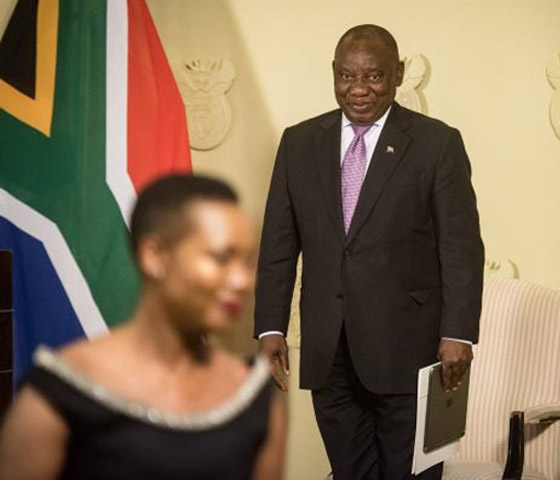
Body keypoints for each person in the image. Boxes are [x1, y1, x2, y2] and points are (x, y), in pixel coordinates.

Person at [255, 24, 484, 480]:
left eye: (374, 77)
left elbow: (460, 246)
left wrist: (459, 333)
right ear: (334, 73)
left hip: (410, 348)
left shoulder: (437, 143)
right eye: (347, 76)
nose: (358, 90)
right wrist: (269, 327)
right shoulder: (299, 143)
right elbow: (278, 243)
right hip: (329, 352)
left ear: (398, 73)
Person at [0, 174, 286, 480]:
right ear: (155, 256)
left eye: (248, 262)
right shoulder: (59, 391)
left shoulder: (254, 396)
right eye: (221, 258)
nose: (242, 281)